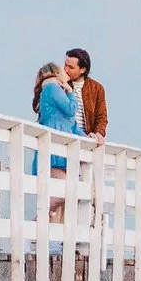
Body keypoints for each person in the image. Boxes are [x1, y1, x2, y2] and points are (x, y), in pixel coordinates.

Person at [33, 60, 79, 219]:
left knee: (61, 205)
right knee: (66, 192)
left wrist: (92, 139)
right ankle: (37, 221)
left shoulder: (54, 93)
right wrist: (70, 92)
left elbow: (72, 125)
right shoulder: (52, 88)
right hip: (54, 153)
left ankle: (40, 236)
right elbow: (71, 109)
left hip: (60, 152)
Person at [63, 47, 106, 142]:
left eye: (71, 67)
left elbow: (101, 117)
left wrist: (98, 133)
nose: (66, 69)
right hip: (64, 135)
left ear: (82, 69)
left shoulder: (97, 88)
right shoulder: (59, 84)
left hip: (86, 138)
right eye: (65, 65)